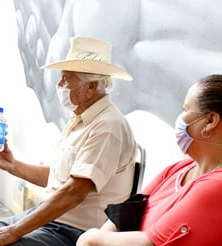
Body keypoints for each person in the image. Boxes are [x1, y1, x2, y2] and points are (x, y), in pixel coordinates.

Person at [0, 36, 137, 246]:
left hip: (78, 231)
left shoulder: (108, 127)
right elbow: (58, 179)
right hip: (54, 218)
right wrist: (12, 166)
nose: (59, 85)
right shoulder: (80, 120)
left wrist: (15, 231)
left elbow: (74, 192)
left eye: (66, 79)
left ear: (91, 87)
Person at [76, 74, 222, 246]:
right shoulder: (178, 169)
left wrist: (91, 238)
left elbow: (147, 243)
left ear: (210, 121)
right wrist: (98, 239)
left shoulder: (216, 185)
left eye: (186, 109)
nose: (180, 118)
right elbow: (125, 214)